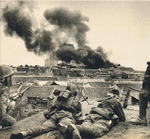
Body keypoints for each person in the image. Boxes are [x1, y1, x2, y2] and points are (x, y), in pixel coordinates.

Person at [10, 83, 82, 139]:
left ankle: (23, 133)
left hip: (55, 116)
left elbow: (50, 109)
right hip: (66, 118)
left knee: (42, 128)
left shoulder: (58, 98)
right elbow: (78, 115)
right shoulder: (76, 101)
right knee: (65, 128)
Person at [0, 65, 17, 129]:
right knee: (13, 122)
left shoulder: (2, 87)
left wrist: (13, 95)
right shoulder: (3, 89)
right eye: (9, 77)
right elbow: (2, 107)